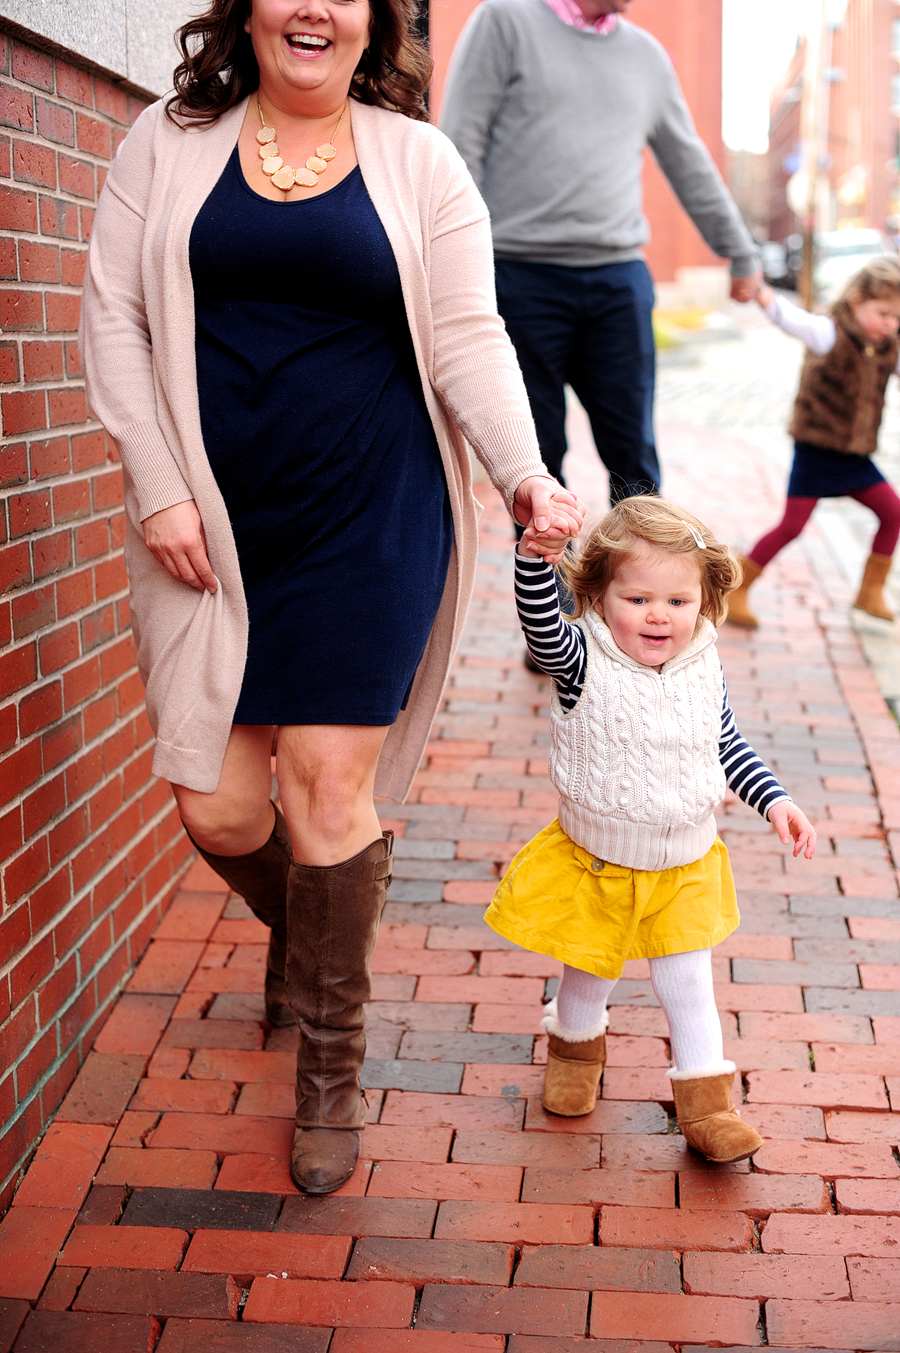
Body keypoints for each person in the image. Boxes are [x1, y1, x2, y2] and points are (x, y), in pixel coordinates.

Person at [79, 0, 584, 1196]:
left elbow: (468, 333)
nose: (316, 7)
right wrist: (158, 491)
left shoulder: (420, 161)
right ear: (248, 12)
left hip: (372, 506)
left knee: (324, 785)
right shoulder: (168, 136)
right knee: (219, 809)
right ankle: (315, 939)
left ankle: (330, 1072)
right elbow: (113, 318)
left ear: (373, 24)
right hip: (210, 517)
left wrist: (524, 471)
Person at [485, 497, 816, 1163]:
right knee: (589, 967)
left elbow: (726, 746)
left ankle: (708, 1106)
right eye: (636, 598)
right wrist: (531, 559)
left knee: (688, 980)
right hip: (600, 858)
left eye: (677, 599)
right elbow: (540, 622)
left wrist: (773, 799)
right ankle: (575, 1058)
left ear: (705, 599)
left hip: (685, 861)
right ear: (601, 597)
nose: (658, 614)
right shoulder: (582, 662)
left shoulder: (704, 667)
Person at [441, 0, 761, 505]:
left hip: (618, 280)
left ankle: (638, 582)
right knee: (537, 467)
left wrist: (740, 253)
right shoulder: (504, 21)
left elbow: (689, 162)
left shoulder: (647, 56)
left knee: (635, 461)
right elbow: (461, 144)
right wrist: (460, 264)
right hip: (520, 277)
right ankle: (553, 587)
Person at [727, 258, 900, 627]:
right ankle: (737, 586)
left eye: (897, 318)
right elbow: (791, 320)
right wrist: (759, 293)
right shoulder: (829, 333)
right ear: (856, 301)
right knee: (791, 526)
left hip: (855, 457)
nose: (890, 324)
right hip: (817, 453)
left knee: (893, 512)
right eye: (884, 313)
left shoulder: (888, 346)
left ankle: (870, 591)